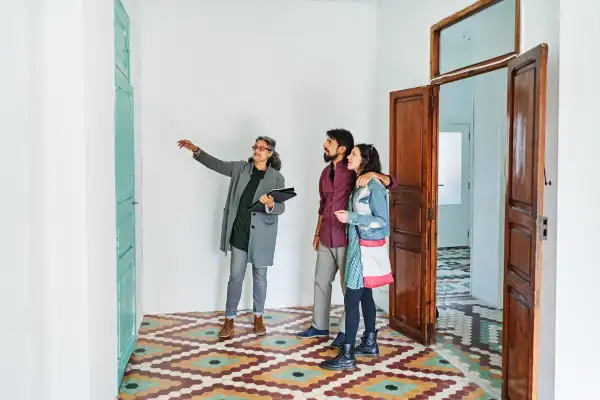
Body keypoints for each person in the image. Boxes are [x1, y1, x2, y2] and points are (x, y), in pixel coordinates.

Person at [177, 136, 286, 338]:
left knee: (260, 278)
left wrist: (270, 204)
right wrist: (196, 150)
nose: (257, 150)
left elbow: (280, 207)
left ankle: (259, 317)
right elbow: (217, 164)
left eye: (262, 148)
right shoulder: (240, 168)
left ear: (270, 153)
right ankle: (229, 320)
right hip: (239, 231)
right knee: (235, 277)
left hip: (262, 236)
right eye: (255, 146)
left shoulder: (277, 178)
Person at [296, 129, 396, 349]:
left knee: (350, 289)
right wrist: (316, 232)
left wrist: (374, 174)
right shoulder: (325, 173)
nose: (324, 144)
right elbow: (323, 206)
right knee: (321, 282)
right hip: (326, 236)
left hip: (348, 238)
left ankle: (344, 334)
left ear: (341, 148)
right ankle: (319, 326)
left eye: (329, 141)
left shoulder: (356, 172)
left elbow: (391, 183)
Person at [320, 144, 390, 371]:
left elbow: (383, 221)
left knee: (351, 299)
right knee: (365, 296)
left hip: (363, 250)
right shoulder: (359, 182)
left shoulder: (374, 186)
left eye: (354, 154)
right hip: (355, 248)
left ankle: (347, 353)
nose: (349, 156)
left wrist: (351, 217)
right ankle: (370, 342)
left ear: (365, 160)